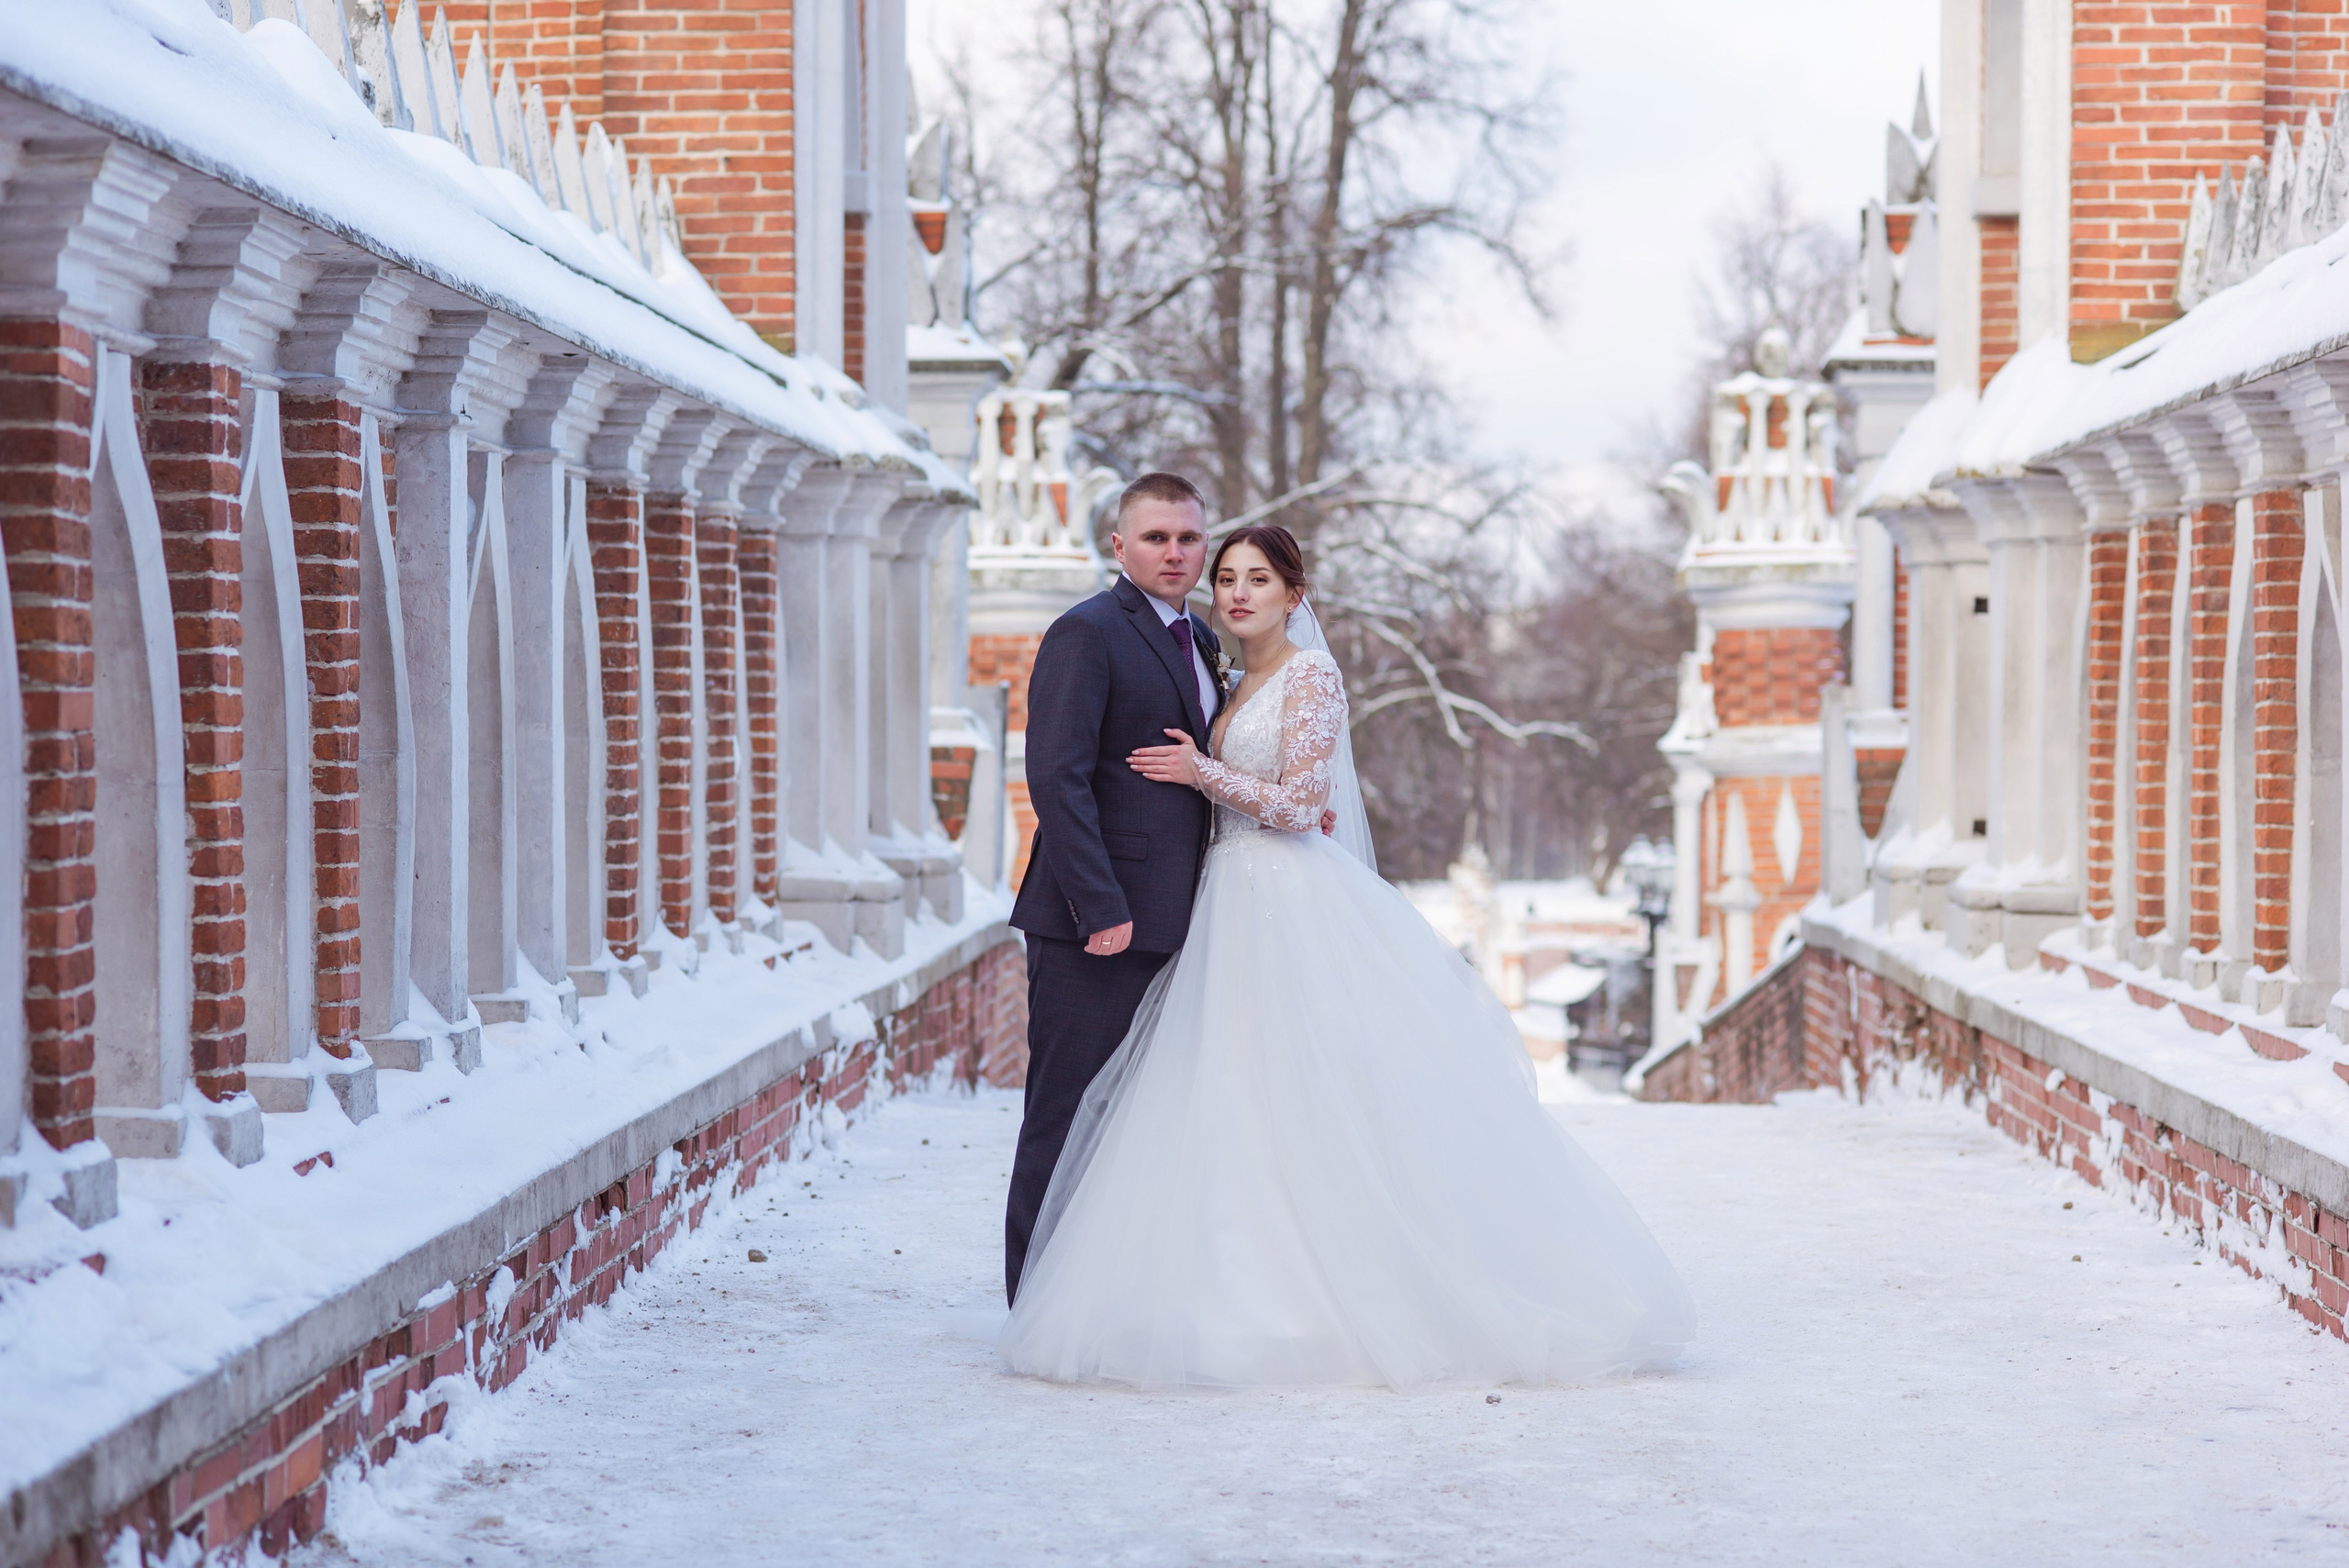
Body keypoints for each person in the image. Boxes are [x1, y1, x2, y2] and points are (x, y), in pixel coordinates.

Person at [999, 523, 1696, 1389]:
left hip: (1285, 905)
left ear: (1297, 595)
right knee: (1222, 1094)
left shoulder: (1312, 674)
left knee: (1302, 1092)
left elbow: (1297, 803)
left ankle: (1337, 1294)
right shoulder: (1226, 676)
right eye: (1228, 578)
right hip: (1224, 902)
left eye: (1259, 578)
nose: (1239, 592)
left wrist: (1201, 773)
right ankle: (1216, 1279)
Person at [1004, 473, 1229, 1305]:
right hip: (1093, 926)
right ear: (1119, 545)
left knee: (1137, 1118)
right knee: (1065, 1116)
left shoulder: (1199, 641)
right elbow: (1055, 777)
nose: (1175, 552)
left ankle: (1102, 1297)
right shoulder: (1086, 633)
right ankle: (1033, 1301)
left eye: (1188, 538)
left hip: (1179, 919)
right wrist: (1100, 907)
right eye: (1156, 537)